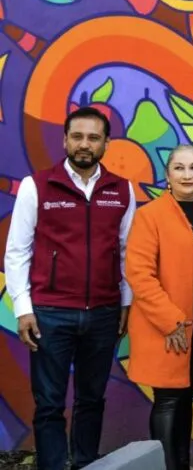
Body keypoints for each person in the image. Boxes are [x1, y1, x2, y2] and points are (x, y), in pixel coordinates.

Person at [3, 107, 136, 470]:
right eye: (77, 136)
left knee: (92, 399)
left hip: (104, 313)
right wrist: (24, 309)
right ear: (65, 140)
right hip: (50, 313)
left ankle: (85, 464)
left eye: (93, 138)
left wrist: (125, 303)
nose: (84, 144)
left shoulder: (121, 190)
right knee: (49, 403)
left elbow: (126, 253)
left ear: (106, 143)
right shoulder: (38, 185)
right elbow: (17, 252)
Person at [124, 145, 193, 470]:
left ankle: (181, 464)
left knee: (185, 397)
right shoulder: (150, 215)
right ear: (167, 176)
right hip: (168, 327)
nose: (187, 175)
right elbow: (139, 273)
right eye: (179, 168)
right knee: (168, 400)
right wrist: (171, 321)